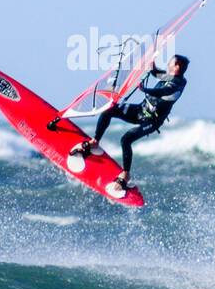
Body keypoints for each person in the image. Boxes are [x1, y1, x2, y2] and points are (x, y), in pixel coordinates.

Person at [70, 55, 188, 190]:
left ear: (177, 66)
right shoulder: (169, 76)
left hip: (151, 121)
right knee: (109, 109)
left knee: (126, 139)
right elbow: (156, 73)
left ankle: (125, 175)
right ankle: (95, 141)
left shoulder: (177, 84)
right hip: (140, 111)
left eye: (171, 62)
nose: (168, 63)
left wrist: (145, 90)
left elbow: (163, 91)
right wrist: (152, 65)